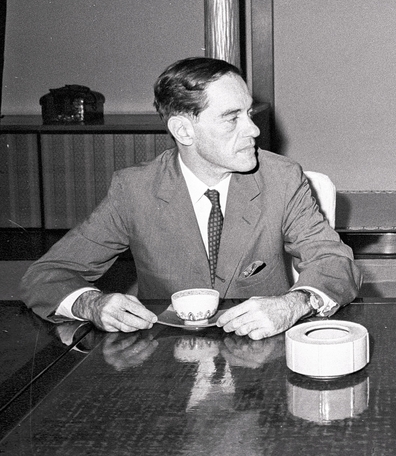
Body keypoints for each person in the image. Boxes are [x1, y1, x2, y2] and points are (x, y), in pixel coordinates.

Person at [21, 57, 361, 338]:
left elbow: (334, 263)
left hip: (259, 356)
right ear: (184, 130)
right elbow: (46, 275)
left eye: (249, 113)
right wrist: (92, 304)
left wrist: (293, 303)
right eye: (232, 118)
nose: (254, 129)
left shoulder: (281, 178)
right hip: (166, 360)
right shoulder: (135, 189)